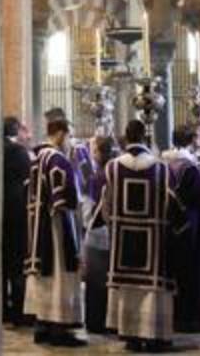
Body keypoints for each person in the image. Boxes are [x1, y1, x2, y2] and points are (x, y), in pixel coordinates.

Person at [103, 119, 175, 351]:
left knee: (129, 288)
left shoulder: (113, 167)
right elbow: (171, 204)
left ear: (126, 137)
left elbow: (106, 205)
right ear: (145, 137)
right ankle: (155, 335)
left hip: (124, 241)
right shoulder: (160, 167)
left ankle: (131, 335)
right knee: (151, 289)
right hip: (153, 243)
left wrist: (114, 227)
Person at [24, 118, 86, 347]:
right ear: (60, 134)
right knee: (59, 275)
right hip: (56, 228)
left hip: (37, 227)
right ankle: (60, 328)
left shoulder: (36, 158)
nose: (70, 141)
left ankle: (43, 325)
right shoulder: (58, 160)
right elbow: (66, 200)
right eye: (69, 136)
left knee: (44, 277)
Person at [162, 125, 200, 332]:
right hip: (190, 225)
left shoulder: (164, 162)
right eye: (196, 137)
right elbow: (199, 196)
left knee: (175, 269)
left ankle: (175, 315)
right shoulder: (188, 167)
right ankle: (190, 318)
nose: (199, 141)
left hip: (171, 224)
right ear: (189, 140)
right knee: (191, 271)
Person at [82, 133, 115, 336]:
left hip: (97, 234)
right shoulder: (115, 173)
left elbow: (88, 210)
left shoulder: (96, 178)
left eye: (93, 150)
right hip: (113, 233)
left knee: (95, 282)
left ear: (98, 153)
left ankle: (96, 322)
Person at [2, 116, 32, 328]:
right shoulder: (19, 152)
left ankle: (1, 309)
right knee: (17, 264)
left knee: (1, 265)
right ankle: (19, 311)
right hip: (17, 211)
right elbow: (28, 176)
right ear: (16, 130)